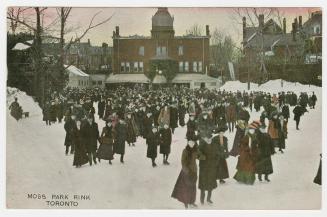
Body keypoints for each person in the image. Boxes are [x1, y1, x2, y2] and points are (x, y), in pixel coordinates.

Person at [171, 139, 198, 209]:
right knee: (186, 188)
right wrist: (186, 171)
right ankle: (186, 202)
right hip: (187, 172)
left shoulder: (195, 150)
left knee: (193, 187)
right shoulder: (185, 150)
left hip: (194, 171)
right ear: (188, 143)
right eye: (190, 142)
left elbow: (199, 156)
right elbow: (183, 162)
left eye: (193, 143)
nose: (191, 144)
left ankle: (192, 202)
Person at [198, 135, 218, 204]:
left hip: (211, 168)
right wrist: (202, 156)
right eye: (207, 139)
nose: (209, 140)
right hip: (203, 169)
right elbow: (198, 154)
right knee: (203, 185)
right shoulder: (201, 146)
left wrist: (215, 163)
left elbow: (217, 156)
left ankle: (208, 199)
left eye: (210, 139)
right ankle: (202, 200)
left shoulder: (214, 146)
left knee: (210, 185)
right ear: (205, 139)